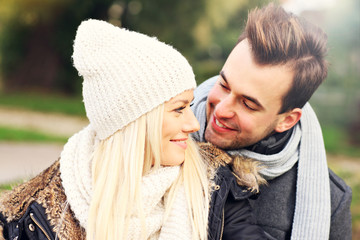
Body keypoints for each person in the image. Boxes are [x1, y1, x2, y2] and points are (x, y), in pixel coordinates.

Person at [0, 20, 268, 240]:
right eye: (178, 109)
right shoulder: (40, 210)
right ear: (136, 121)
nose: (194, 124)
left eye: (190, 106)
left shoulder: (214, 183)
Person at [191, 3, 352, 240]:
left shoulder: (330, 201)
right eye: (224, 85)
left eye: (247, 104)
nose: (221, 109)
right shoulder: (162, 137)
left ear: (286, 120)